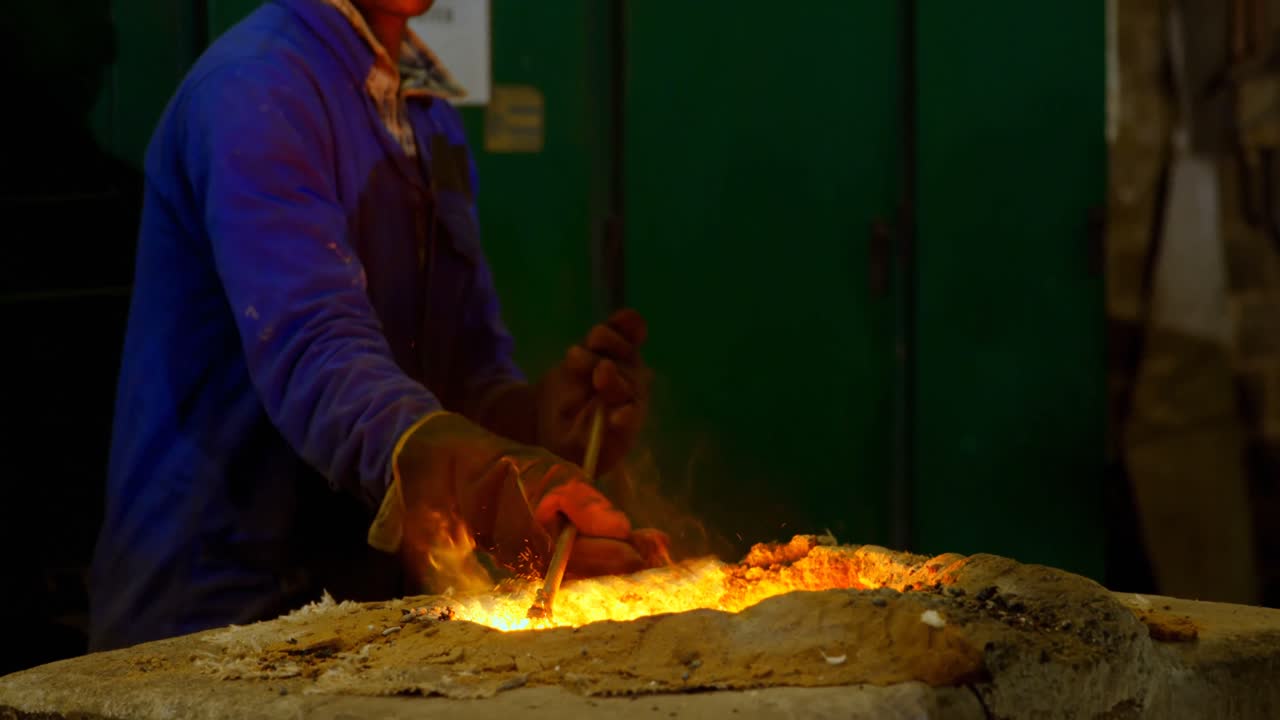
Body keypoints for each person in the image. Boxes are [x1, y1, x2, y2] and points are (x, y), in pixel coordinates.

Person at [88, 0, 667, 652]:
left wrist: (532, 422)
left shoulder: (423, 107)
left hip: (355, 619)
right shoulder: (256, 88)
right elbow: (314, 347)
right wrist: (483, 476)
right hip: (212, 620)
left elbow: (459, 368)